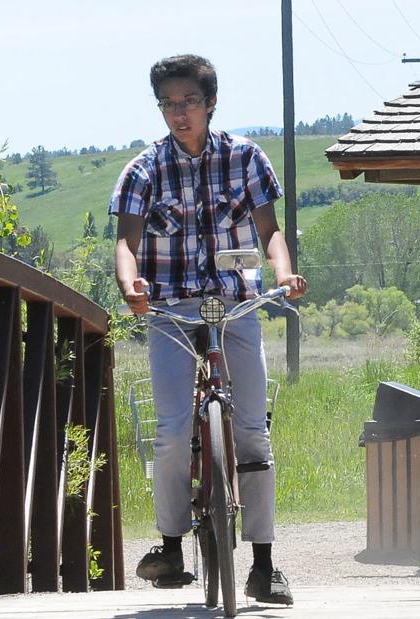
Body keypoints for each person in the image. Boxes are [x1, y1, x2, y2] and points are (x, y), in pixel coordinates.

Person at [111, 53, 306, 605]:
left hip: (237, 304)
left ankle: (265, 565)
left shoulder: (246, 159)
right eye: (168, 104)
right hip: (171, 311)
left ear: (211, 102)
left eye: (189, 102)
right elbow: (126, 243)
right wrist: (132, 288)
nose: (179, 113)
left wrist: (284, 274)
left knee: (252, 430)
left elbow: (270, 233)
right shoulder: (144, 170)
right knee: (172, 429)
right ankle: (171, 545)